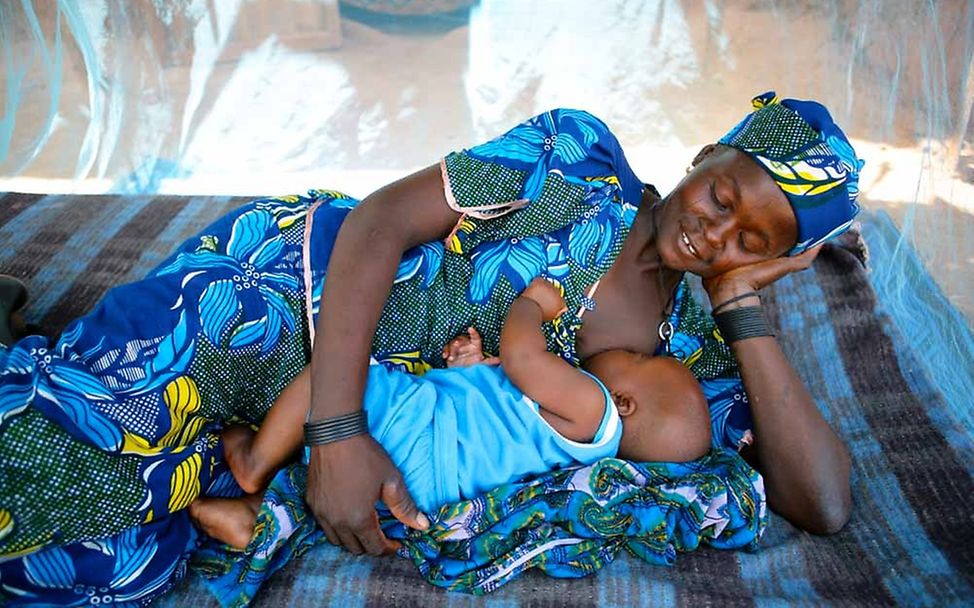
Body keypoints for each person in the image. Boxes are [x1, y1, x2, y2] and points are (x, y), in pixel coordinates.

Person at [0, 91, 862, 604]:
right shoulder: (575, 163)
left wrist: (744, 304)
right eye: (723, 194)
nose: (718, 234)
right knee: (47, 465)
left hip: (315, 424)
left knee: (102, 572)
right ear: (708, 152)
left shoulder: (693, 351)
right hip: (275, 302)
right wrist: (337, 430)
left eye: (755, 239)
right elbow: (379, 221)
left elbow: (820, 501)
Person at [188, 276, 712, 549]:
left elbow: (524, 358)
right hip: (437, 488)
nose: (634, 349)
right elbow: (501, 413)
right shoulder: (584, 451)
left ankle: (255, 460)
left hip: (425, 433)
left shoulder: (596, 407)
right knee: (349, 498)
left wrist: (532, 305)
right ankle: (256, 521)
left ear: (625, 402)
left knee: (337, 376)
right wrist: (470, 368)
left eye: (643, 359)